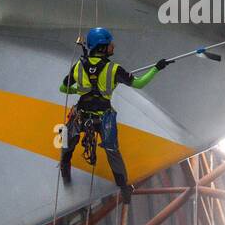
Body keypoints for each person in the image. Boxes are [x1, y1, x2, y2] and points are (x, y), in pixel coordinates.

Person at [59, 27, 168, 203]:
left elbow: (63, 88)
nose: (113, 46)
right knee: (112, 152)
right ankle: (124, 188)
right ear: (102, 46)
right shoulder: (114, 70)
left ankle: (64, 167)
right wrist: (157, 68)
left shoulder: (78, 66)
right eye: (110, 43)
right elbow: (139, 84)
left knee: (66, 138)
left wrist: (78, 89)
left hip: (82, 114)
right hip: (104, 118)